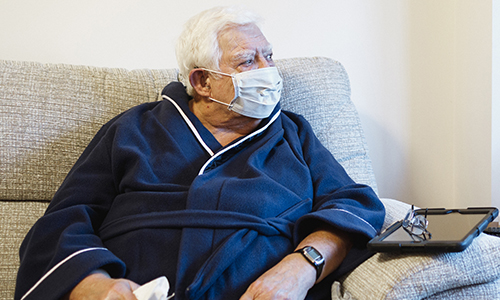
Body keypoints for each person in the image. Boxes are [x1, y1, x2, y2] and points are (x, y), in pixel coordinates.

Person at [15, 6, 385, 300]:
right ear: (201, 81)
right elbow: (64, 219)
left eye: (269, 57)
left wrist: (301, 267)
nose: (269, 72)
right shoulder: (133, 129)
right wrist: (94, 285)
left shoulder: (292, 132)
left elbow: (352, 205)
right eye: (247, 61)